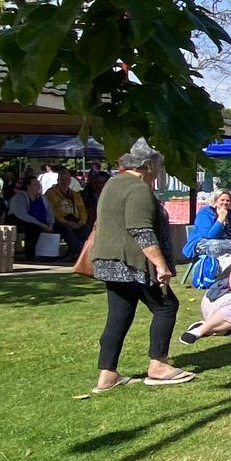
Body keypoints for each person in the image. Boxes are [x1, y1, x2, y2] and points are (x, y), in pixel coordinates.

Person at [87, 142, 196, 393]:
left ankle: (107, 375)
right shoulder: (139, 190)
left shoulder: (112, 184)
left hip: (108, 261)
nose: (160, 171)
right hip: (131, 264)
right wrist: (161, 266)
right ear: (147, 165)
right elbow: (141, 231)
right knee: (167, 306)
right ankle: (158, 365)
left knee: (119, 315)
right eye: (159, 165)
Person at [181, 189, 231, 288]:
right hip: (204, 243)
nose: (225, 202)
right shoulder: (205, 213)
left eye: (228, 201)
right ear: (215, 200)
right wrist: (221, 218)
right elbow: (210, 235)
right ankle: (220, 274)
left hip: (229, 244)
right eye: (222, 200)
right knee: (215, 246)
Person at [4, 175, 57, 259]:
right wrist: (41, 224)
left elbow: (49, 211)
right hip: (19, 221)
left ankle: (48, 254)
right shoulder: (20, 197)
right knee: (32, 228)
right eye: (35, 183)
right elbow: (22, 215)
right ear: (28, 186)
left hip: (39, 222)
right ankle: (30, 255)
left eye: (39, 183)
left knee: (58, 227)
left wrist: (51, 224)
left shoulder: (42, 198)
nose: (39, 185)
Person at [43, 168, 91, 257]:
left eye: (67, 179)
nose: (65, 182)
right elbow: (52, 211)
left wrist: (81, 222)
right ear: (58, 180)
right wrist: (66, 222)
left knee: (86, 229)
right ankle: (79, 252)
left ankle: (83, 252)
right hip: (59, 221)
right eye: (63, 180)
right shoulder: (51, 193)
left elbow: (82, 210)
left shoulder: (75, 194)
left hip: (75, 220)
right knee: (66, 229)